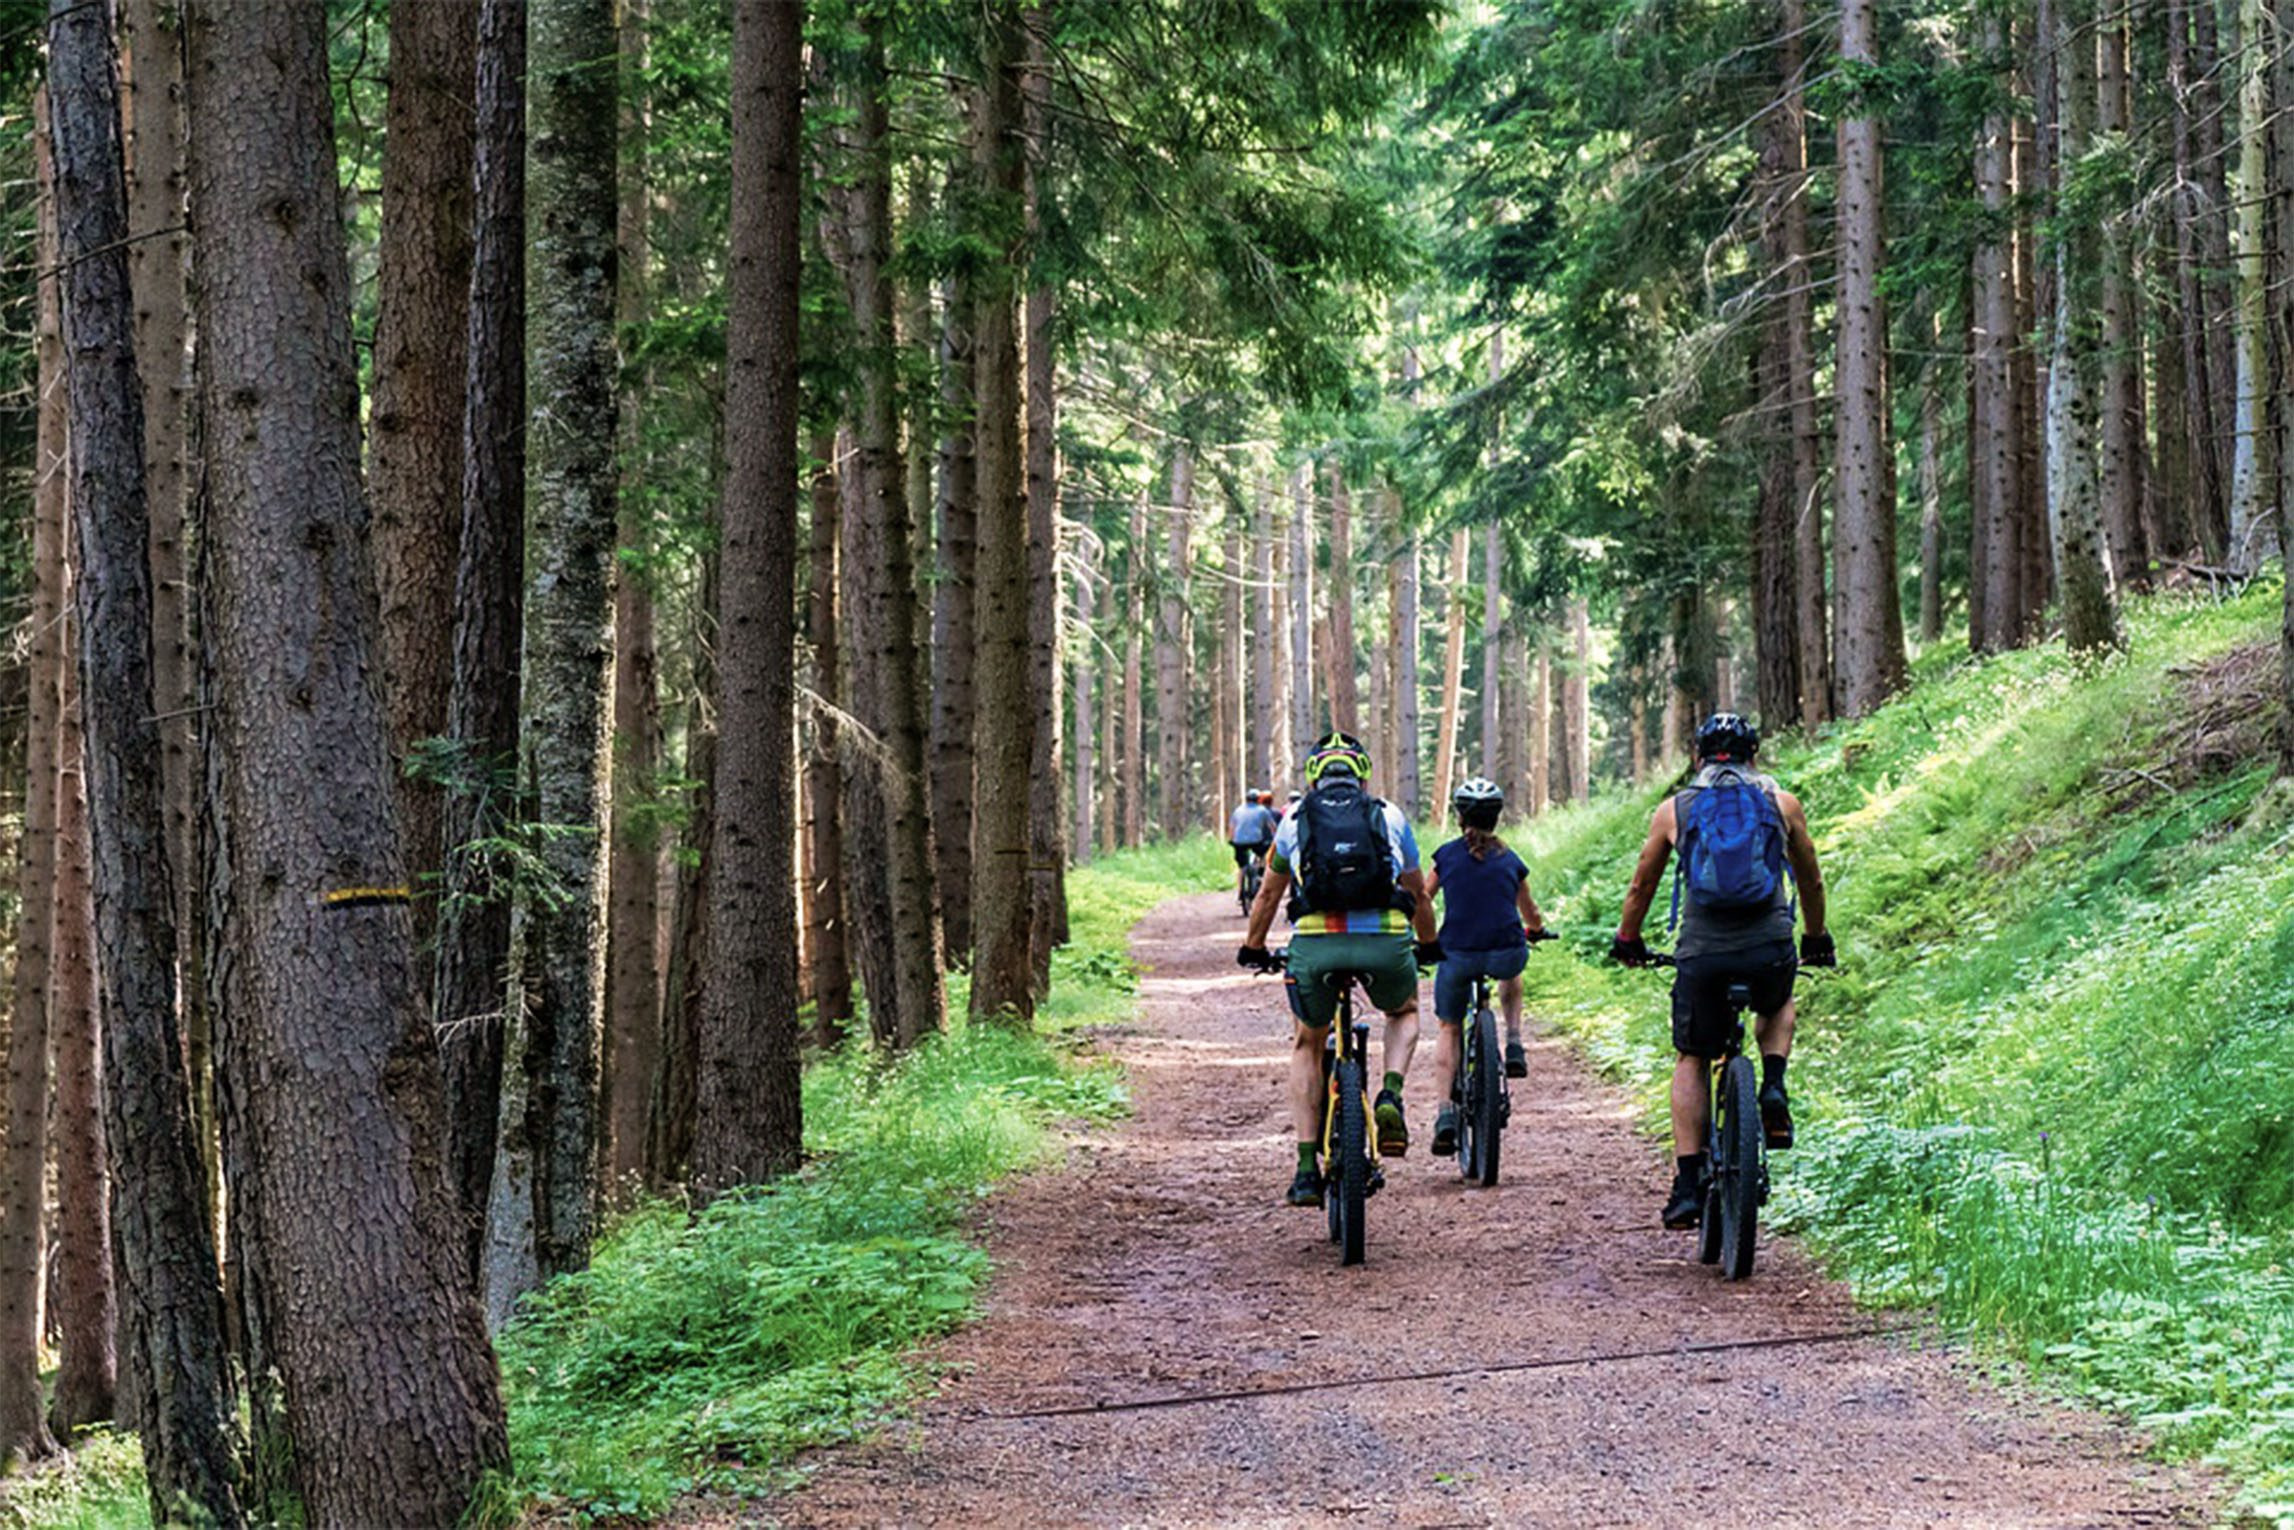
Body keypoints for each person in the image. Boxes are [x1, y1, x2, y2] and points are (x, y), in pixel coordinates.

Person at [1609, 712, 1835, 1229]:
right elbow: (1811, 880)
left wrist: (1628, 940)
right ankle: (1772, 1083)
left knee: (1692, 1054)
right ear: (1755, 755)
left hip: (1703, 954)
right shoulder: (1783, 805)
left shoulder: (1676, 809)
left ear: (1697, 758)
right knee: (1777, 1001)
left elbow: (1641, 886)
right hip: (1768, 946)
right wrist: (1816, 938)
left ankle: (1688, 1182)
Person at [1239, 731, 1441, 1207]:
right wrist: (1428, 944)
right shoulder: (1389, 815)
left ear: (1313, 777)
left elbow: (1268, 893)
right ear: (1362, 773)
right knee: (1405, 1010)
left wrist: (1253, 946)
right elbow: (1418, 892)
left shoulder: (1292, 819)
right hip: (1384, 943)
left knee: (1307, 1042)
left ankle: (1307, 1169)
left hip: (1317, 945)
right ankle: (1390, 1094)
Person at [1421, 778, 1551, 1157]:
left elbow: (1423, 900)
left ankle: (1445, 1111)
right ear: (1497, 818)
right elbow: (1530, 912)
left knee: (1449, 1026)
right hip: (1504, 951)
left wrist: (1424, 940)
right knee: (1512, 967)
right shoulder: (1510, 860)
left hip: (1457, 954)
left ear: (1459, 817)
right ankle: (1513, 1039)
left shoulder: (1445, 856)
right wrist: (1538, 931)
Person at [1228, 788, 1278, 901]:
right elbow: (1272, 826)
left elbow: (1232, 827)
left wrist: (1231, 839)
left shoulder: (1238, 810)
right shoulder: (1263, 810)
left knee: (1241, 867)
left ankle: (1240, 891)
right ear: (1258, 799)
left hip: (1239, 842)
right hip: (1256, 841)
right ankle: (1260, 875)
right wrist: (1276, 838)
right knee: (1264, 855)